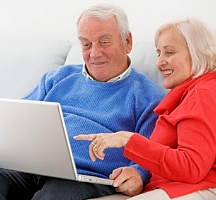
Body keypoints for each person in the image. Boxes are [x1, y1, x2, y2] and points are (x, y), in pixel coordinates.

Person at [0, 4, 165, 200]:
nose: (94, 53)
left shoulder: (149, 97)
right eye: (86, 44)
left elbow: (154, 152)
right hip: (33, 167)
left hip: (88, 177)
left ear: (127, 42)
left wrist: (139, 173)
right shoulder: (57, 78)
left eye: (104, 42)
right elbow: (15, 118)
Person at [74, 18, 216, 200]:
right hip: (169, 186)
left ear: (198, 53)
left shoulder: (203, 93)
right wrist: (138, 172)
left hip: (194, 187)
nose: (160, 63)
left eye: (169, 52)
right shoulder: (186, 95)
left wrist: (128, 139)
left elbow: (192, 167)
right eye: (159, 54)